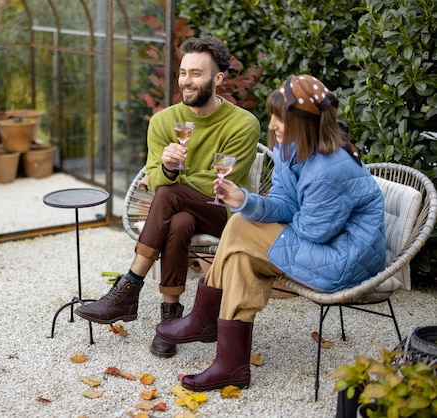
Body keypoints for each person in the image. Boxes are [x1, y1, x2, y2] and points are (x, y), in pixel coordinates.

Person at [155, 74, 386, 391]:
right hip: (316, 247)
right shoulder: (293, 150)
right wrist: (244, 200)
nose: (273, 125)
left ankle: (205, 319)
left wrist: (256, 220)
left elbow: (313, 231)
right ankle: (232, 367)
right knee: (240, 255)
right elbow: (284, 203)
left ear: (304, 123)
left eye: (281, 118)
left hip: (342, 259)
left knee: (239, 227)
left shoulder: (331, 167)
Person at [75, 37, 260, 358]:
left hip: (224, 215)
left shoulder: (243, 124)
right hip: (182, 209)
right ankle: (169, 320)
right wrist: (167, 170)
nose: (186, 81)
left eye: (197, 74)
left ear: (218, 79)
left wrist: (171, 173)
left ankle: (129, 287)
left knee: (170, 193)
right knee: (178, 220)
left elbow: (220, 182)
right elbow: (152, 177)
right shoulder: (163, 121)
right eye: (183, 72)